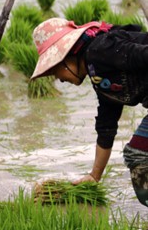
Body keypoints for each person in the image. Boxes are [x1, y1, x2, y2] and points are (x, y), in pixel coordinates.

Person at [30, 17, 148, 205]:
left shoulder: (101, 50)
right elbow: (106, 127)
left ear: (67, 57)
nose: (59, 79)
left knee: (137, 154)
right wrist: (94, 176)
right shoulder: (98, 73)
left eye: (55, 71)